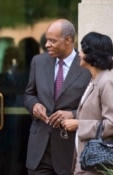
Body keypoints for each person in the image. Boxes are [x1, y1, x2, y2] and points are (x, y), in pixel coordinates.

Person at [23, 19, 91, 175]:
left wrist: (73, 114)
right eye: (47, 40)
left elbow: (94, 106)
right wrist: (34, 105)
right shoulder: (38, 62)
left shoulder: (86, 66)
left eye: (52, 41)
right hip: (39, 150)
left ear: (68, 40)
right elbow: (29, 94)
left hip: (70, 151)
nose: (46, 45)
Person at [61, 31, 113, 175]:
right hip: (90, 163)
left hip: (102, 166)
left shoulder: (107, 82)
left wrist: (78, 124)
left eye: (82, 49)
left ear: (91, 53)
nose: (79, 54)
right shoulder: (95, 80)